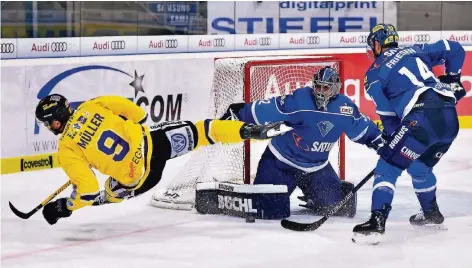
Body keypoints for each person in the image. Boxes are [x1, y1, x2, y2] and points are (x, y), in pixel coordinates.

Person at [35, 94, 288, 225]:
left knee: (109, 191)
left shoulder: (67, 149)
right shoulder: (94, 104)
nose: (49, 127)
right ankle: (250, 131)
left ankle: (105, 200)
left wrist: (64, 207)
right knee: (203, 131)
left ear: (56, 120)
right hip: (155, 143)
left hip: (140, 177)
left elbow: (87, 190)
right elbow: (138, 114)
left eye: (48, 123)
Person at [353, 24, 467, 244]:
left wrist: (392, 141)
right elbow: (455, 49)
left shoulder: (374, 74)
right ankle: (431, 213)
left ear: (377, 44)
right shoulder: (416, 50)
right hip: (449, 120)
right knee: (419, 166)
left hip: (421, 119)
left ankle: (377, 220)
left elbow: (388, 118)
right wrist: (453, 80)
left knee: (387, 165)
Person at [222, 66, 384, 217]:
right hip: (281, 163)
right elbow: (268, 108)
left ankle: (317, 195)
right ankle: (233, 197)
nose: (320, 92)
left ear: (335, 89)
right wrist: (239, 114)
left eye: (325, 88)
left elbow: (364, 129)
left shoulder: (345, 109)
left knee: (339, 206)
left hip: (316, 168)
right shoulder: (299, 100)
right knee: (269, 210)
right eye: (318, 87)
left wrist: (382, 143)